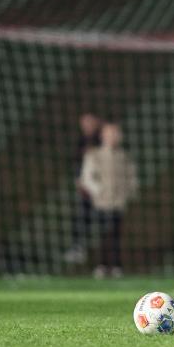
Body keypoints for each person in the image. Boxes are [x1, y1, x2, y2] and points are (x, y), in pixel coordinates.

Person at [80, 123, 139, 279]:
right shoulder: (94, 155)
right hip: (101, 202)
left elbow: (131, 177)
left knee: (116, 234)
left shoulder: (124, 156)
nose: (114, 137)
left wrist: (129, 193)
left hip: (118, 202)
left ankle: (116, 265)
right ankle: (102, 265)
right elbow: (87, 177)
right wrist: (98, 190)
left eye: (116, 134)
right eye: (110, 134)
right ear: (103, 136)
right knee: (103, 233)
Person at [64, 113, 101, 265]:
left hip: (103, 189)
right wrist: (79, 180)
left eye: (89, 122)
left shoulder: (101, 141)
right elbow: (76, 163)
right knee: (80, 217)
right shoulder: (80, 142)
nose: (86, 126)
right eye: (84, 123)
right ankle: (78, 248)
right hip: (86, 188)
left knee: (105, 221)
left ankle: (104, 259)